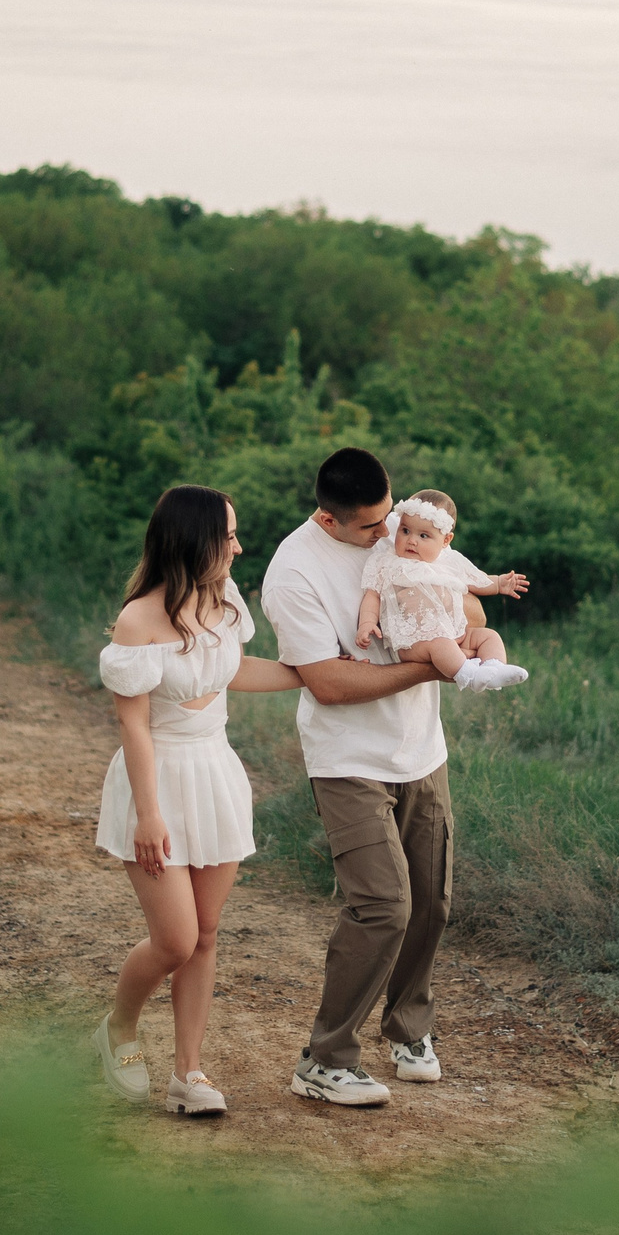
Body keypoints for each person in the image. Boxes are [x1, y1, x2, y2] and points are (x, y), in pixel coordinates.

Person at [259, 447, 528, 1107]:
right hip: (348, 760)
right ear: (328, 518)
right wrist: (433, 665)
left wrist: (453, 622)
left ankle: (408, 1028)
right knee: (384, 905)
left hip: (421, 750)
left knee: (431, 902)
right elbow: (328, 683)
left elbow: (473, 618)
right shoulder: (293, 572)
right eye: (372, 524)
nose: (389, 532)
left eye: (392, 516)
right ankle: (325, 1058)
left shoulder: (403, 529)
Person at [92, 485, 306, 1117]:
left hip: (216, 774)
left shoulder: (224, 601)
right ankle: (119, 1028)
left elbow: (232, 670)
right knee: (175, 940)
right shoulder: (138, 620)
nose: (238, 548)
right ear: (194, 541)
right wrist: (148, 814)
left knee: (206, 933)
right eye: (228, 536)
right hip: (155, 780)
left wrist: (314, 673)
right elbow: (133, 725)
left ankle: (188, 1073)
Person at [356, 488, 530, 692]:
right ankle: (471, 676)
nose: (412, 540)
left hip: (455, 632)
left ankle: (494, 668)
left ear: (446, 540)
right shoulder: (387, 562)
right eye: (405, 531)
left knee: (489, 636)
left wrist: (499, 584)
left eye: (423, 535)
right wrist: (367, 622)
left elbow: (476, 580)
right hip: (414, 641)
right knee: (440, 644)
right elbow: (372, 594)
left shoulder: (448, 560)